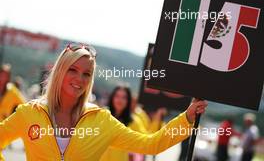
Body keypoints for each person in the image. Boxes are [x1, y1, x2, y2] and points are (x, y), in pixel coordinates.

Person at [0, 43, 207, 161]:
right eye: (73, 69)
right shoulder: (29, 113)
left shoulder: (101, 120)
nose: (79, 79)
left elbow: (150, 144)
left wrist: (186, 118)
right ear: (60, 71)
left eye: (86, 74)